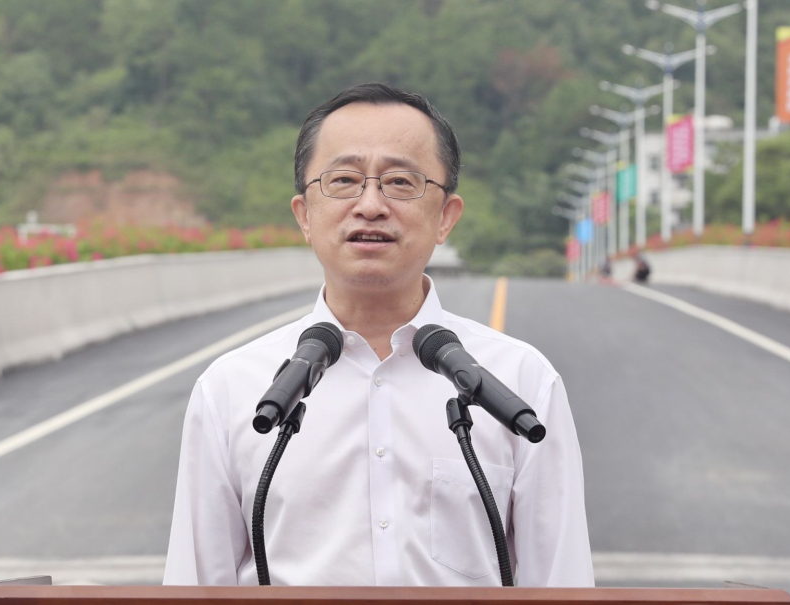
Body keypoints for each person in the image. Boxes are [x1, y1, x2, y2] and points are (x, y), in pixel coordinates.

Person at [163, 83, 593, 587]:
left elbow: (562, 584)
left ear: (446, 218)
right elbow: (195, 588)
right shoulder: (232, 388)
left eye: (401, 182)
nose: (370, 205)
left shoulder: (520, 382)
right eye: (344, 180)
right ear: (304, 215)